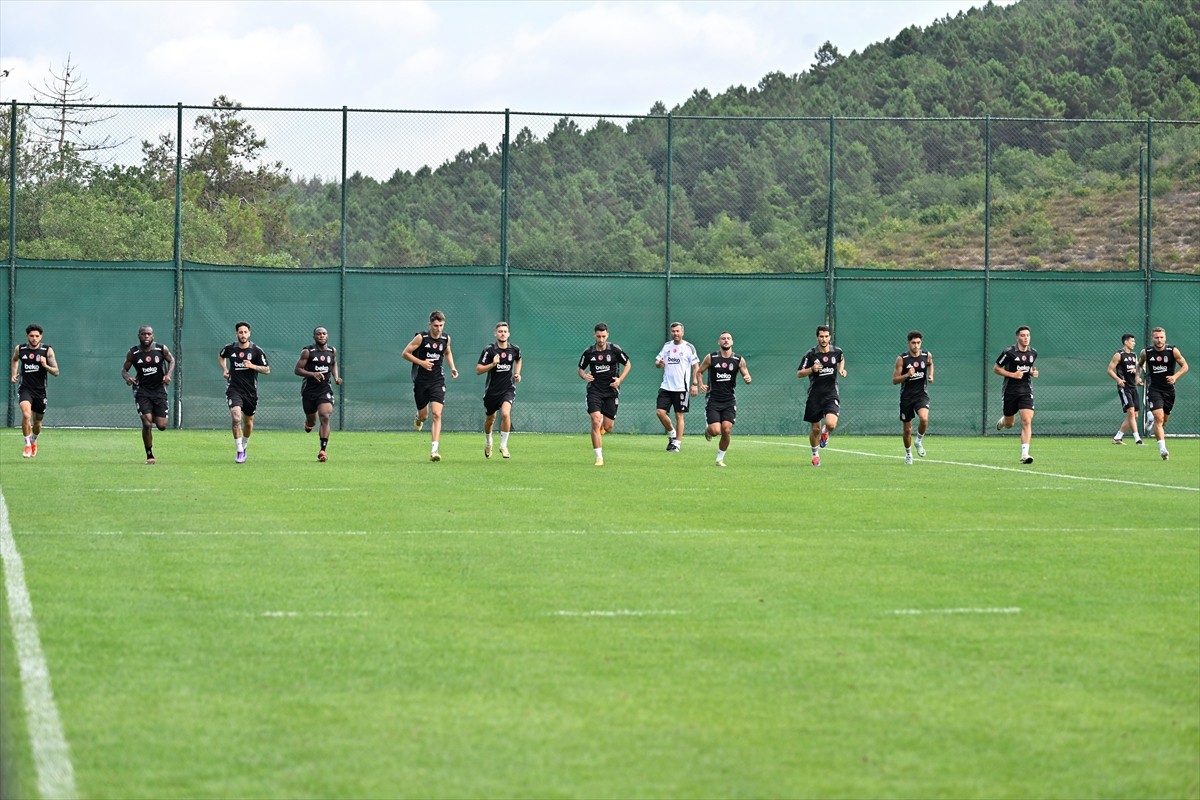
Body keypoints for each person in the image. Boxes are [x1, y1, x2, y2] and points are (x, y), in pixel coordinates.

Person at [403, 310, 458, 462]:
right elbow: (405, 353)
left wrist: (452, 367)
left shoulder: (446, 338)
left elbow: (447, 352)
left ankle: (434, 450)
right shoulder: (421, 337)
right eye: (435, 325)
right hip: (421, 381)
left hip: (437, 381)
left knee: (437, 414)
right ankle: (419, 418)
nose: (438, 328)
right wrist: (422, 362)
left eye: (441, 325)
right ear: (430, 324)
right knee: (424, 416)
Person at [578, 322, 631, 466]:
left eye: (603, 336)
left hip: (611, 392)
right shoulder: (589, 352)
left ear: (607, 335)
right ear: (594, 335)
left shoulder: (614, 350)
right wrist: (584, 376)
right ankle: (599, 457)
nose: (601, 340)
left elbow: (628, 364)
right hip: (594, 390)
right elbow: (580, 369)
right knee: (595, 420)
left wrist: (619, 380)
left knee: (608, 427)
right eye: (598, 336)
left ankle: (602, 429)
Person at [121, 325, 175, 465]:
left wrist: (168, 375)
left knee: (162, 425)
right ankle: (149, 455)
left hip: (159, 390)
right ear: (139, 335)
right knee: (146, 422)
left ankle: (152, 416)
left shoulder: (161, 349)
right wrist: (127, 378)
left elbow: (172, 360)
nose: (146, 336)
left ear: (153, 336)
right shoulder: (133, 353)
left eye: (149, 334)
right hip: (142, 391)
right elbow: (124, 370)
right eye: (143, 334)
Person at [696, 331, 751, 467]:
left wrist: (747, 378)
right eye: (723, 339)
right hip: (713, 400)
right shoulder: (711, 357)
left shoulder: (738, 360)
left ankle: (719, 459)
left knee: (726, 429)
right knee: (715, 431)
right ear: (719, 342)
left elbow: (746, 373)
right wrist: (701, 384)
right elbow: (699, 372)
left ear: (732, 342)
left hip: (729, 401)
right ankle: (708, 430)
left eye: (728, 338)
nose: (726, 341)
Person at [218, 321, 271, 463]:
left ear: (249, 333)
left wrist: (252, 366)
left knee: (248, 422)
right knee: (236, 418)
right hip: (234, 389)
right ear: (236, 334)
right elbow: (221, 355)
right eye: (240, 332)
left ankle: (245, 445)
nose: (243, 335)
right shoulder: (230, 348)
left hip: (250, 392)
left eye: (245, 332)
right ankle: (239, 451)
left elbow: (267, 370)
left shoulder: (256, 351)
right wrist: (225, 369)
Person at [797, 324, 846, 467]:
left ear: (830, 337)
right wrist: (812, 369)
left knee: (831, 424)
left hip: (831, 394)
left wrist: (841, 369)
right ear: (817, 337)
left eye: (826, 336)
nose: (824, 339)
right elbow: (799, 373)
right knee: (815, 429)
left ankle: (826, 432)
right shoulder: (811, 354)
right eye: (821, 336)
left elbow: (841, 359)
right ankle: (815, 454)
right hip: (815, 396)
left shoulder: (837, 352)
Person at [1138, 326, 1189, 461]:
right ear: (1152, 338)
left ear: (1165, 338)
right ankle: (1163, 449)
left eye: (1161, 337)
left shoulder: (1172, 350)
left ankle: (1151, 418)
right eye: (1156, 338)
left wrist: (1175, 377)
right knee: (1159, 418)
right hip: (1154, 389)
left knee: (1163, 421)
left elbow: (1185, 366)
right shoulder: (1146, 352)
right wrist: (1138, 376)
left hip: (1169, 390)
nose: (1159, 340)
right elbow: (1140, 364)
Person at [10, 323, 59, 458]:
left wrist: (45, 365)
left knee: (37, 422)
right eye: (31, 336)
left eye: (37, 336)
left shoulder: (47, 350)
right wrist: (14, 373)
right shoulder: (20, 349)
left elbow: (56, 372)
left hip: (40, 391)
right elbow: (14, 360)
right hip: (25, 388)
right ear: (27, 336)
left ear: (41, 337)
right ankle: (26, 445)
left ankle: (33, 440)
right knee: (26, 415)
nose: (34, 338)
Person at [294, 326, 341, 463]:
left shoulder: (332, 351)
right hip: (309, 390)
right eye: (318, 334)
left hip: (324, 389)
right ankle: (308, 424)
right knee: (312, 420)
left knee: (325, 415)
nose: (321, 336)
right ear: (314, 336)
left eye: (324, 333)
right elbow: (297, 370)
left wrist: (336, 377)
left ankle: (322, 450)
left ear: (327, 336)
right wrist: (312, 374)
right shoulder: (308, 352)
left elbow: (333, 364)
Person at [476, 321, 522, 459]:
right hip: (492, 391)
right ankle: (489, 441)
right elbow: (478, 370)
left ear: (508, 334)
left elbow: (519, 359)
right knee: (490, 419)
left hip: (507, 388)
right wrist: (492, 364)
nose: (502, 333)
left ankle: (503, 445)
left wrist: (517, 373)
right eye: (500, 331)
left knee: (505, 414)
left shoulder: (514, 349)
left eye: (505, 331)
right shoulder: (489, 350)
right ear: (495, 333)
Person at [993, 325, 1038, 465]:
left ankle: (1025, 454)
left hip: (1026, 390)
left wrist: (1031, 372)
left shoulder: (1033, 353)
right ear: (1017, 337)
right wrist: (1012, 374)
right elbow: (996, 369)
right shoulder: (1009, 352)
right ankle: (1003, 421)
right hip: (1010, 392)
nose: (1026, 338)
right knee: (1009, 424)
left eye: (1028, 335)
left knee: (1026, 420)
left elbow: (1027, 366)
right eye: (1023, 335)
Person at [654, 322, 701, 452]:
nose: (675, 333)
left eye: (678, 331)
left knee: (679, 415)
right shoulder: (667, 346)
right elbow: (657, 362)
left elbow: (696, 366)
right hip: (666, 386)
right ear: (671, 332)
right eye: (673, 331)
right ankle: (672, 433)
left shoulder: (688, 347)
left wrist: (695, 384)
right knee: (660, 412)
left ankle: (677, 444)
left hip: (681, 388)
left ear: (682, 332)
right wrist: (660, 363)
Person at [892, 330, 934, 465]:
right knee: (907, 429)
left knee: (924, 418)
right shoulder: (902, 359)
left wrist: (931, 375)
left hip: (921, 394)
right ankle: (908, 454)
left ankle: (919, 440)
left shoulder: (926, 355)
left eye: (918, 343)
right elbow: (895, 380)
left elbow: (930, 364)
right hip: (906, 397)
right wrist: (907, 375)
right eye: (913, 343)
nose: (916, 346)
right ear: (908, 343)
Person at [1106, 333, 1143, 446]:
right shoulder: (1119, 355)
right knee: (1131, 412)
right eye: (1132, 341)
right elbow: (1110, 370)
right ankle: (1138, 440)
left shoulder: (1133, 355)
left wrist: (1137, 376)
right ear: (1126, 342)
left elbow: (1139, 368)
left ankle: (1117, 438)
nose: (1134, 343)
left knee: (1135, 415)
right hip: (1124, 387)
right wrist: (1118, 380)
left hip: (1133, 387)